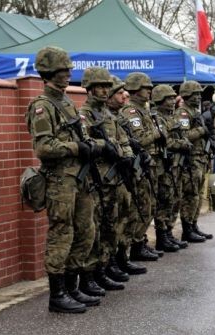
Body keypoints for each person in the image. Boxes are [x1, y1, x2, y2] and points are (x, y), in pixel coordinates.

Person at [26, 46, 99, 313]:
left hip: (78, 179)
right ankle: (57, 295)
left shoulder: (67, 102)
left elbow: (79, 135)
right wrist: (77, 148)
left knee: (85, 229)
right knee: (61, 233)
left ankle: (72, 286)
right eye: (62, 70)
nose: (68, 74)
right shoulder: (42, 106)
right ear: (49, 72)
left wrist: (89, 144)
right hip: (59, 181)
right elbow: (43, 148)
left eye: (68, 70)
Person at [79, 67, 141, 296]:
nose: (105, 90)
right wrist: (106, 148)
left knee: (111, 225)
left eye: (107, 86)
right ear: (90, 88)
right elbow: (86, 145)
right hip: (97, 179)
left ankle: (104, 266)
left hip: (114, 177)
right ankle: (91, 274)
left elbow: (123, 141)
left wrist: (124, 155)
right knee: (95, 228)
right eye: (100, 86)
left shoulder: (108, 115)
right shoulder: (85, 114)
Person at [120, 73, 181, 254]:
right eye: (146, 88)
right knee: (142, 206)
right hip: (142, 165)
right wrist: (158, 133)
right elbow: (140, 138)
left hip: (154, 163)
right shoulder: (131, 111)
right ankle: (135, 246)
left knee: (152, 204)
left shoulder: (144, 111)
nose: (149, 91)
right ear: (136, 90)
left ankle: (141, 242)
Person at [152, 84, 192, 252]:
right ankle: (162, 236)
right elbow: (165, 142)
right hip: (166, 165)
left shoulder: (170, 117)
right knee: (165, 199)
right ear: (159, 100)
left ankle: (168, 232)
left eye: (172, 98)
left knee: (174, 199)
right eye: (167, 98)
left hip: (176, 164)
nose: (171, 101)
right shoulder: (157, 118)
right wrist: (182, 144)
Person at [175, 80, 213, 243]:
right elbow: (184, 136)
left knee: (198, 194)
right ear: (186, 95)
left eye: (199, 94)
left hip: (200, 157)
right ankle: (187, 228)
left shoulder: (195, 112)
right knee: (190, 194)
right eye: (194, 94)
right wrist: (201, 130)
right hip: (190, 160)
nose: (198, 97)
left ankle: (194, 224)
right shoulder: (183, 113)